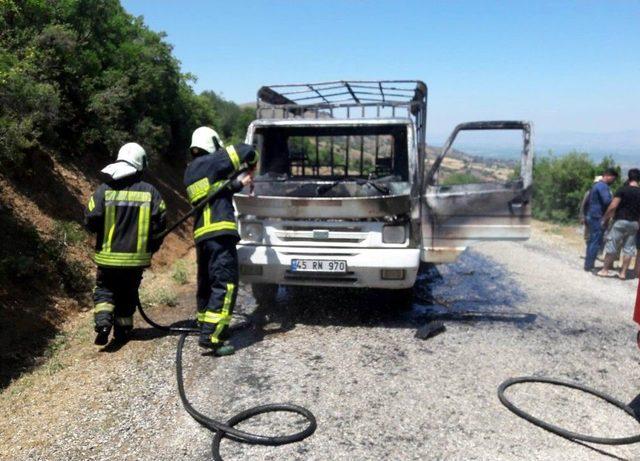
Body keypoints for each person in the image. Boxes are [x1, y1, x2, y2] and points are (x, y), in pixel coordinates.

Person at [184, 127, 258, 355]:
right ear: (212, 143)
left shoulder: (191, 171)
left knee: (206, 283)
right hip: (219, 231)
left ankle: (206, 325)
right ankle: (212, 337)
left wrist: (238, 183)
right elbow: (247, 150)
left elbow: (215, 191)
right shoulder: (214, 161)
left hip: (202, 235)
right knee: (224, 283)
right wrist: (253, 165)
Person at [85, 143, 167, 345]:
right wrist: (152, 245)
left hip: (107, 258)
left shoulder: (104, 190)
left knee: (105, 289)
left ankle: (103, 323)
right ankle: (123, 330)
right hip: (135, 260)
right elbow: (161, 222)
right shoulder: (151, 192)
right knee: (128, 292)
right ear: (140, 164)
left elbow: (90, 218)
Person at [598, 168, 640, 279]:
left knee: (612, 245)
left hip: (620, 221)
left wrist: (605, 217)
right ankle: (623, 273)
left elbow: (613, 206)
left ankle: (605, 270)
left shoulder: (622, 190)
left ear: (629, 177)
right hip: (634, 223)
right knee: (629, 249)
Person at [584, 168, 618, 271]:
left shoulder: (596, 185)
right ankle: (590, 266)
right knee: (595, 241)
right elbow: (607, 201)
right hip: (598, 217)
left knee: (592, 241)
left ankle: (588, 264)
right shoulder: (603, 187)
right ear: (608, 176)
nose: (613, 181)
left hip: (592, 215)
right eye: (613, 179)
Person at [579, 176, 602, 241]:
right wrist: (582, 216)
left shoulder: (607, 193)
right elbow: (583, 205)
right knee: (588, 237)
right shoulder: (589, 192)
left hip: (600, 219)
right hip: (589, 217)